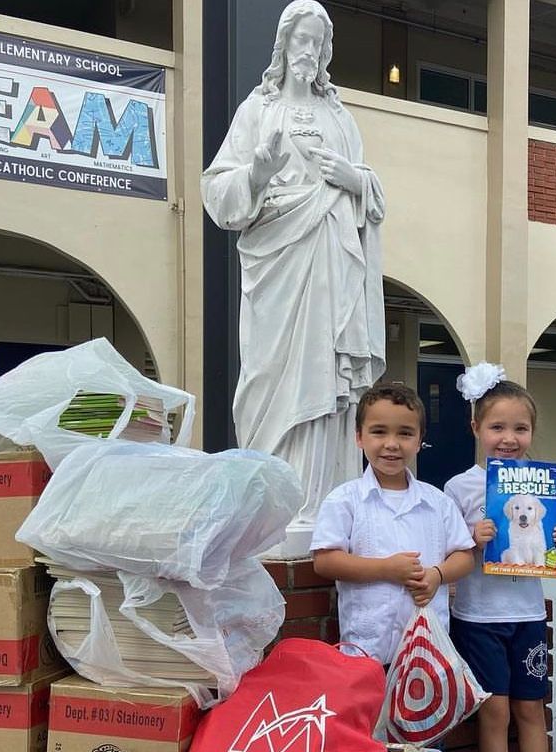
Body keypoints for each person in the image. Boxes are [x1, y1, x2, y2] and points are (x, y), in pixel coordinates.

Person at [203, 0, 387, 553]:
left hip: (331, 254)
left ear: (325, 51)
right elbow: (219, 191)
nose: (306, 50)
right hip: (276, 260)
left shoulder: (340, 117)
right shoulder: (256, 110)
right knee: (271, 371)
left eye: (316, 41)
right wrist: (257, 173)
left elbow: (372, 196)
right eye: (298, 40)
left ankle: (324, 499)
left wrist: (355, 179)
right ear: (282, 46)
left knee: (327, 375)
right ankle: (275, 502)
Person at [443, 363, 556, 752]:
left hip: (526, 613)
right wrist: (468, 540)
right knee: (494, 715)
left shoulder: (542, 484)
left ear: (532, 433)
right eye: (497, 426)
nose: (509, 438)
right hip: (477, 616)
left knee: (532, 711)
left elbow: (546, 545)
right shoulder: (459, 488)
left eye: (520, 428)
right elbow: (447, 553)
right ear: (476, 428)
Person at [311, 383, 474, 664]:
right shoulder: (344, 500)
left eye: (405, 433)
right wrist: (386, 569)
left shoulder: (438, 501)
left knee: (426, 709)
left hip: (429, 650)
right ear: (359, 437)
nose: (391, 444)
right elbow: (325, 561)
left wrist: (437, 574)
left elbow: (464, 556)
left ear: (420, 439)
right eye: (379, 432)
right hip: (369, 649)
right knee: (375, 709)